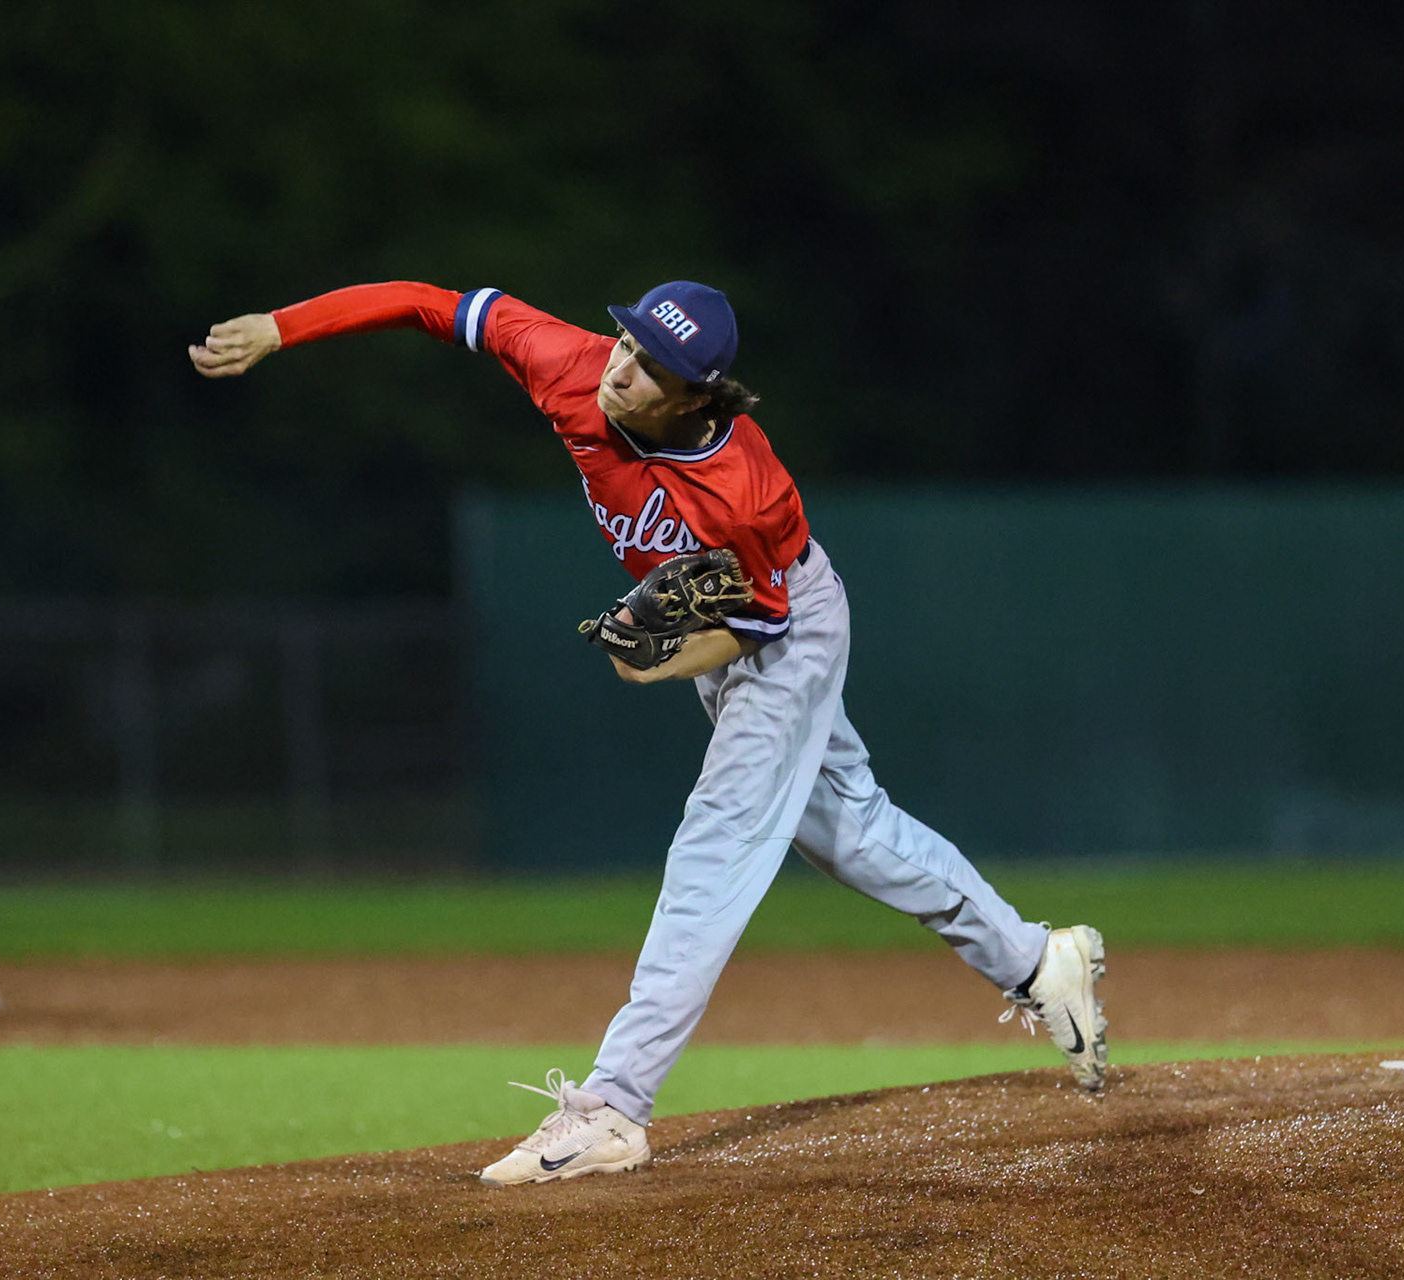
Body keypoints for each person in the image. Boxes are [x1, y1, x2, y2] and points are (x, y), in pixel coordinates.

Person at [189, 281, 1105, 1185]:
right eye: (627, 342)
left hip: (784, 626)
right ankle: (1034, 960)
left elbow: (762, 627)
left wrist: (653, 661)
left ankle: (614, 1107)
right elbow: (428, 301)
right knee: (848, 831)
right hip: (741, 629)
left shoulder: (744, 491)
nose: (622, 368)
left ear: (698, 394)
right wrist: (284, 326)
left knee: (720, 839)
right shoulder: (572, 364)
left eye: (651, 365)